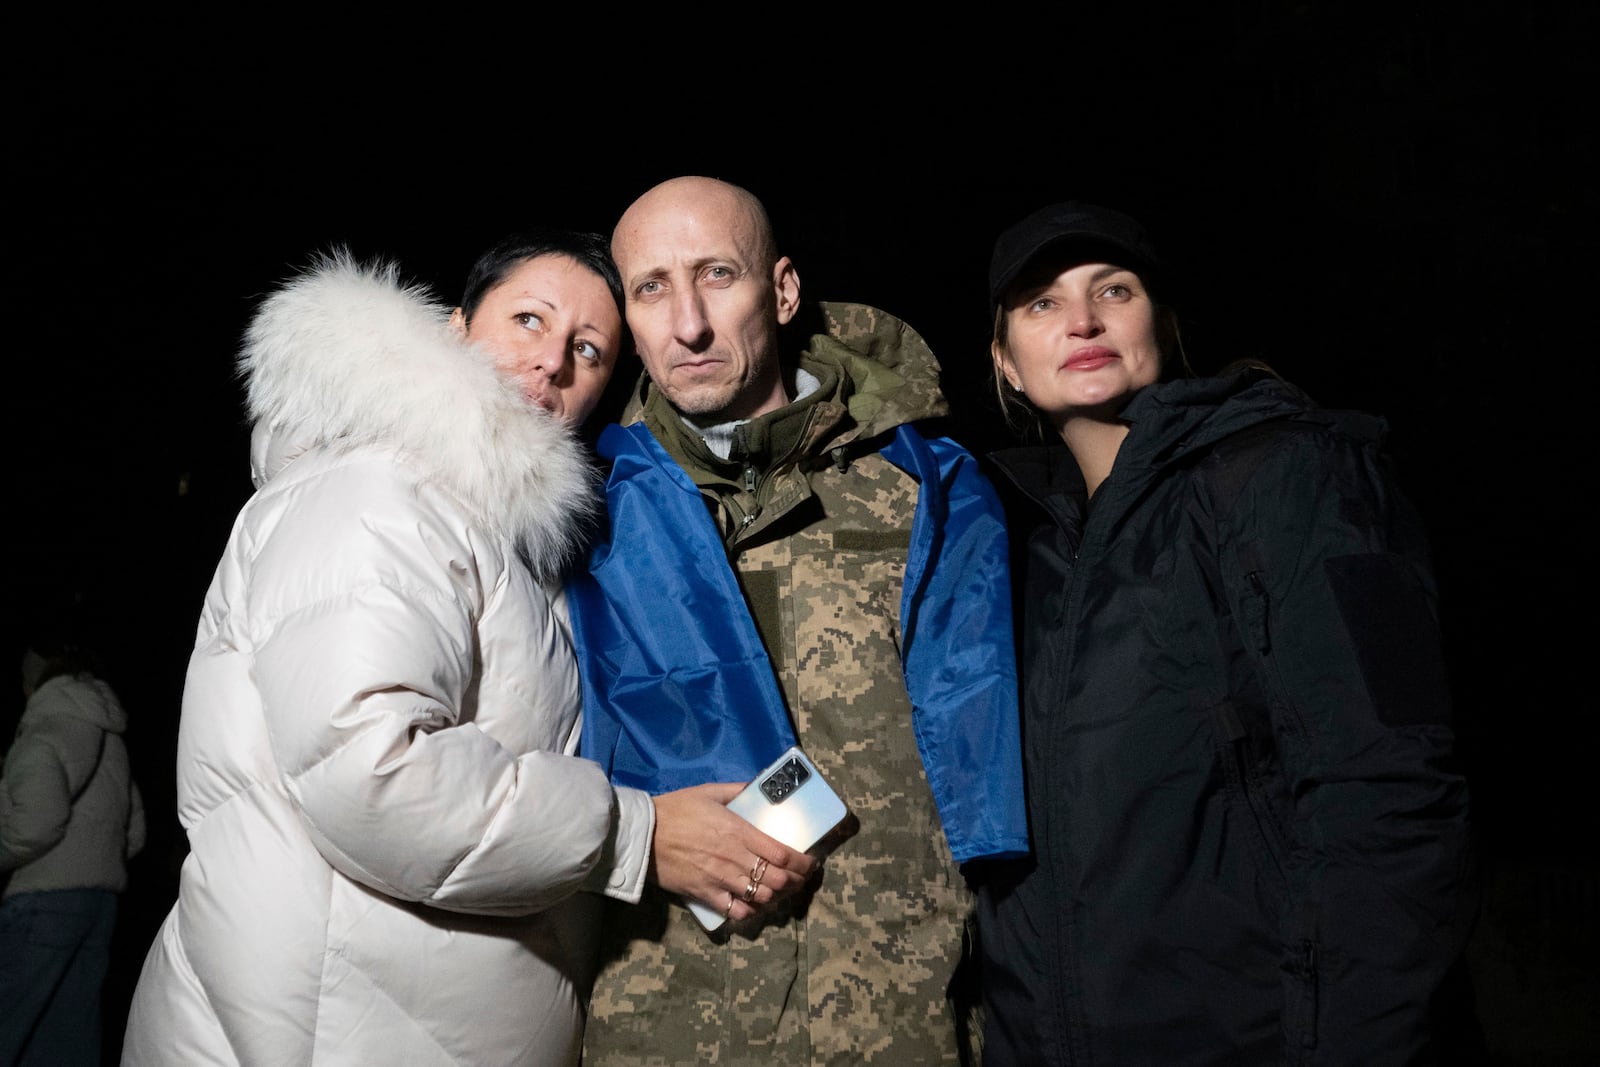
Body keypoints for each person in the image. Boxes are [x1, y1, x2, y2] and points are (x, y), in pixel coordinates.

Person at [119, 229, 815, 1067]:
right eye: (529, 319)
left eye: (588, 350)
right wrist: (634, 835)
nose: (552, 362)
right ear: (453, 328)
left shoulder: (493, 533)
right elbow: (370, 770)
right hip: (317, 1033)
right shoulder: (380, 489)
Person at [974, 201, 1480, 1065]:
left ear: (1163, 324)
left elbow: (1390, 789)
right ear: (1006, 363)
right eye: (1041, 304)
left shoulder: (1291, 474)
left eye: (1114, 290)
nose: (1083, 320)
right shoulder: (1015, 551)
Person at [563, 175, 1029, 1065]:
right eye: (652, 288)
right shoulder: (581, 513)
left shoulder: (925, 489)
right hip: (664, 1026)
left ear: (781, 292)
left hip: (896, 1019)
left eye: (717, 275)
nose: (688, 323)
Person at [1, 624, 146, 1067]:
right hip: (98, 907)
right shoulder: (110, 740)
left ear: (35, 682)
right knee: (67, 1039)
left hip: (40, 903)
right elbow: (134, 832)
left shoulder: (43, 734)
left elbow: (37, 824)